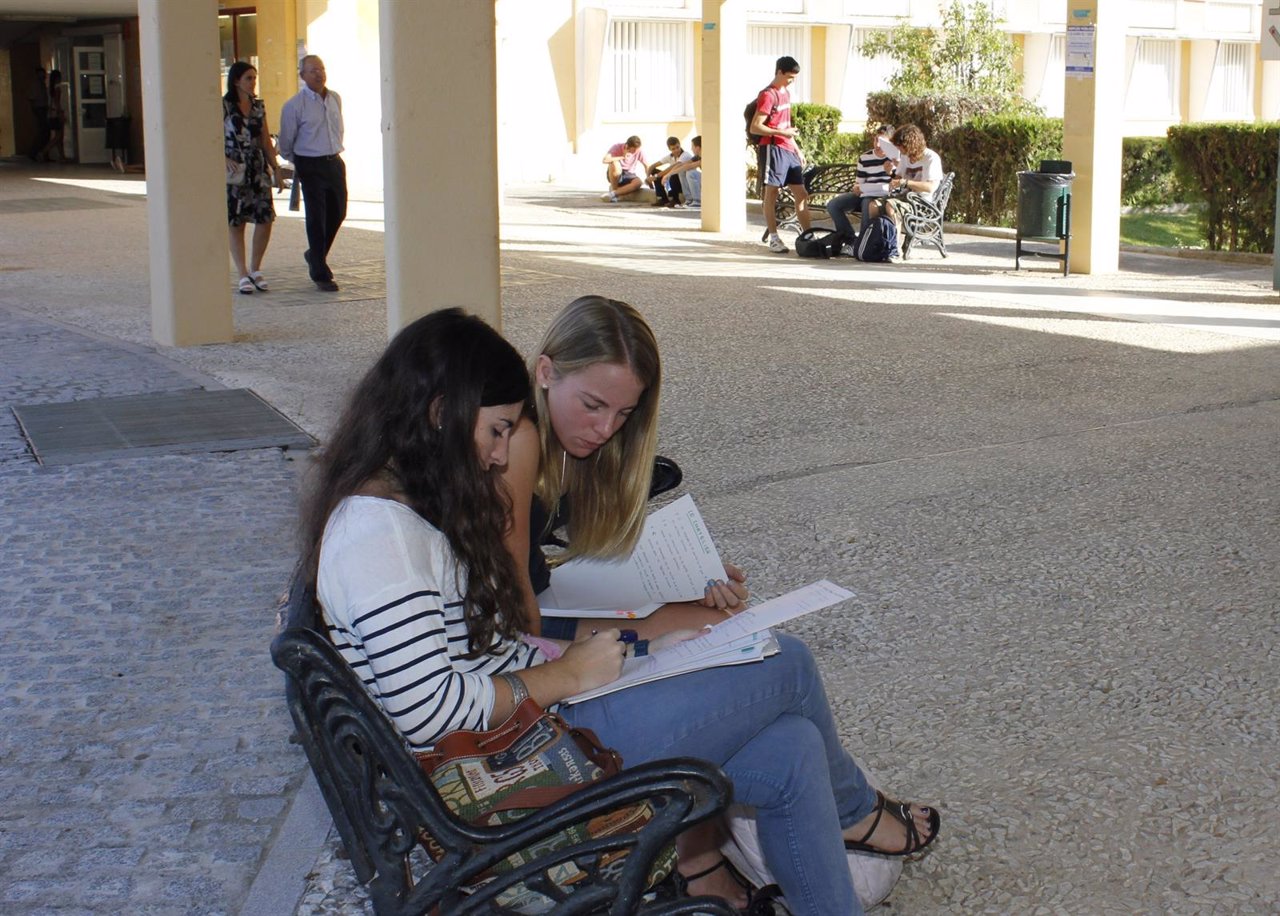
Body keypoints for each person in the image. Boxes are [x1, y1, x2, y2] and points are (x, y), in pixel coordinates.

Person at [301, 308, 941, 916]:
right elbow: (427, 713)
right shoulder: (380, 534)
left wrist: (638, 654)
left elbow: (484, 651)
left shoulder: (400, 512)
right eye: (497, 429)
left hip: (526, 742)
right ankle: (860, 815)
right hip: (502, 785)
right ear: (440, 414)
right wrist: (568, 675)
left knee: (794, 746)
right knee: (789, 662)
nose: (500, 455)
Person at [500, 296, 748, 645]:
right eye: (592, 405)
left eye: (624, 413)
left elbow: (578, 564)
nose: (606, 429)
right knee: (721, 629)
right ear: (545, 372)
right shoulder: (516, 441)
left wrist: (682, 581)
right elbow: (516, 617)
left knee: (726, 619)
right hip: (504, 625)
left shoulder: (582, 448)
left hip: (536, 602)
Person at [278, 55, 346, 292]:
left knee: (338, 211)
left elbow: (339, 129)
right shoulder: (295, 105)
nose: (319, 73)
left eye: (322, 69)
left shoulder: (335, 98)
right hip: (310, 164)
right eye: (313, 70)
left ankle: (314, 254)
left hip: (334, 161)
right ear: (302, 75)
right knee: (316, 217)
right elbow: (286, 140)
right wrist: (298, 161)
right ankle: (320, 271)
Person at [223, 62, 284, 295]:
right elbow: (210, 137)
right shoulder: (225, 106)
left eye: (254, 78)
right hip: (236, 169)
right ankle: (241, 272)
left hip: (257, 168)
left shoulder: (258, 107)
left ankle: (256, 268)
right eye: (248, 78)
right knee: (236, 222)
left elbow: (265, 140)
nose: (253, 82)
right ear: (236, 80)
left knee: (265, 217)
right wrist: (222, 158)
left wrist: (275, 167)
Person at [752, 56, 810, 254]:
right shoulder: (768, 95)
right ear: (778, 72)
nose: (791, 81)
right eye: (789, 77)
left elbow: (786, 125)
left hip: (787, 148)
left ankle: (808, 234)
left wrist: (797, 148)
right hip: (772, 148)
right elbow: (756, 126)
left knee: (801, 193)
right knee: (772, 192)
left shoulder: (786, 94)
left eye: (794, 78)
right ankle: (774, 238)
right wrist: (781, 134)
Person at [826, 124, 897, 256]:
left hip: (883, 197)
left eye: (882, 142)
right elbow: (859, 183)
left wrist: (892, 171)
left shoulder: (895, 158)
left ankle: (863, 245)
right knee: (833, 205)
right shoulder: (865, 157)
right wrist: (857, 188)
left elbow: (898, 183)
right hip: (865, 193)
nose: (878, 145)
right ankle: (851, 241)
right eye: (876, 140)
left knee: (867, 203)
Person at [884, 123, 943, 260]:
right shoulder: (905, 157)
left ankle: (894, 249)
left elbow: (930, 187)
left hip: (922, 203)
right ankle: (876, 244)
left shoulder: (931, 158)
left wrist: (906, 182)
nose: (899, 149)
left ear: (910, 143)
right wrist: (891, 174)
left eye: (901, 146)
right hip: (906, 197)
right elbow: (899, 177)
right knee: (873, 205)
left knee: (891, 206)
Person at [646, 136, 691, 208]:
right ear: (669, 149)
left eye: (677, 147)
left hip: (685, 183)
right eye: (673, 149)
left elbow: (674, 167)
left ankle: (675, 200)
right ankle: (663, 199)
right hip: (674, 181)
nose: (676, 150)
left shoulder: (685, 155)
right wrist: (648, 178)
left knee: (673, 173)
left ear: (680, 145)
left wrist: (656, 176)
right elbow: (652, 166)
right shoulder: (670, 156)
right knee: (655, 171)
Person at [600, 135, 646, 203]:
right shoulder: (616, 146)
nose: (635, 152)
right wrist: (622, 157)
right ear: (627, 146)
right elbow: (605, 160)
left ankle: (613, 194)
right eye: (633, 150)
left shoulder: (639, 151)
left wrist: (650, 179)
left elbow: (647, 165)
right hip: (616, 172)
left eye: (637, 150)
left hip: (629, 173)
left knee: (639, 182)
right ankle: (614, 191)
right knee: (614, 163)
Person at [662, 134, 702, 208]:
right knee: (682, 171)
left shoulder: (705, 156)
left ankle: (698, 201)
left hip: (712, 183)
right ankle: (689, 200)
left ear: (698, 147)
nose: (691, 149)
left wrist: (668, 175)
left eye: (692, 146)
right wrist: (668, 175)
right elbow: (682, 165)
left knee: (690, 173)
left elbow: (687, 166)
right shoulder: (697, 156)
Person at [38, 70, 67, 163]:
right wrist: (60, 113)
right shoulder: (57, 88)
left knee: (58, 136)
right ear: (58, 78)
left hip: (50, 114)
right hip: (56, 113)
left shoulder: (48, 88)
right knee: (59, 136)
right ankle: (43, 152)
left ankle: (62, 156)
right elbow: (57, 102)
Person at [27, 67, 48, 161]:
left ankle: (40, 153)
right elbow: (32, 97)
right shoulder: (36, 84)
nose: (43, 76)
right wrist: (35, 109)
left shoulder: (42, 84)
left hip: (43, 108)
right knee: (42, 132)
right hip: (39, 109)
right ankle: (34, 153)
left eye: (43, 74)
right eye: (41, 74)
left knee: (44, 132)